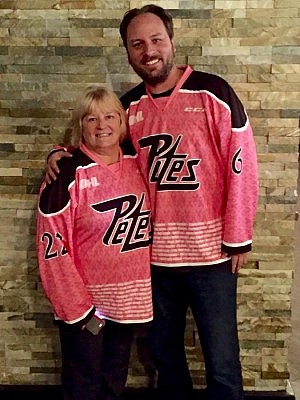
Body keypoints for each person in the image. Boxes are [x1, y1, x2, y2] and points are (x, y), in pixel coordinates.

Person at [45, 5, 259, 400]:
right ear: (128, 52)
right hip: (152, 263)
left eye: (156, 39)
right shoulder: (128, 109)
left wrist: (239, 235)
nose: (149, 50)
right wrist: (59, 154)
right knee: (164, 358)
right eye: (137, 44)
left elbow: (242, 167)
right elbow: (99, 144)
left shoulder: (214, 93)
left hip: (212, 257)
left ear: (172, 41)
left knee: (223, 361)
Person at [36, 85, 153, 400]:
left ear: (122, 121)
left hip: (129, 304)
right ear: (80, 126)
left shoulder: (139, 162)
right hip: (87, 309)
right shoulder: (65, 176)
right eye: (91, 119)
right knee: (84, 385)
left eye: (110, 116)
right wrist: (81, 311)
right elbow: (52, 252)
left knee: (113, 383)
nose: (102, 126)